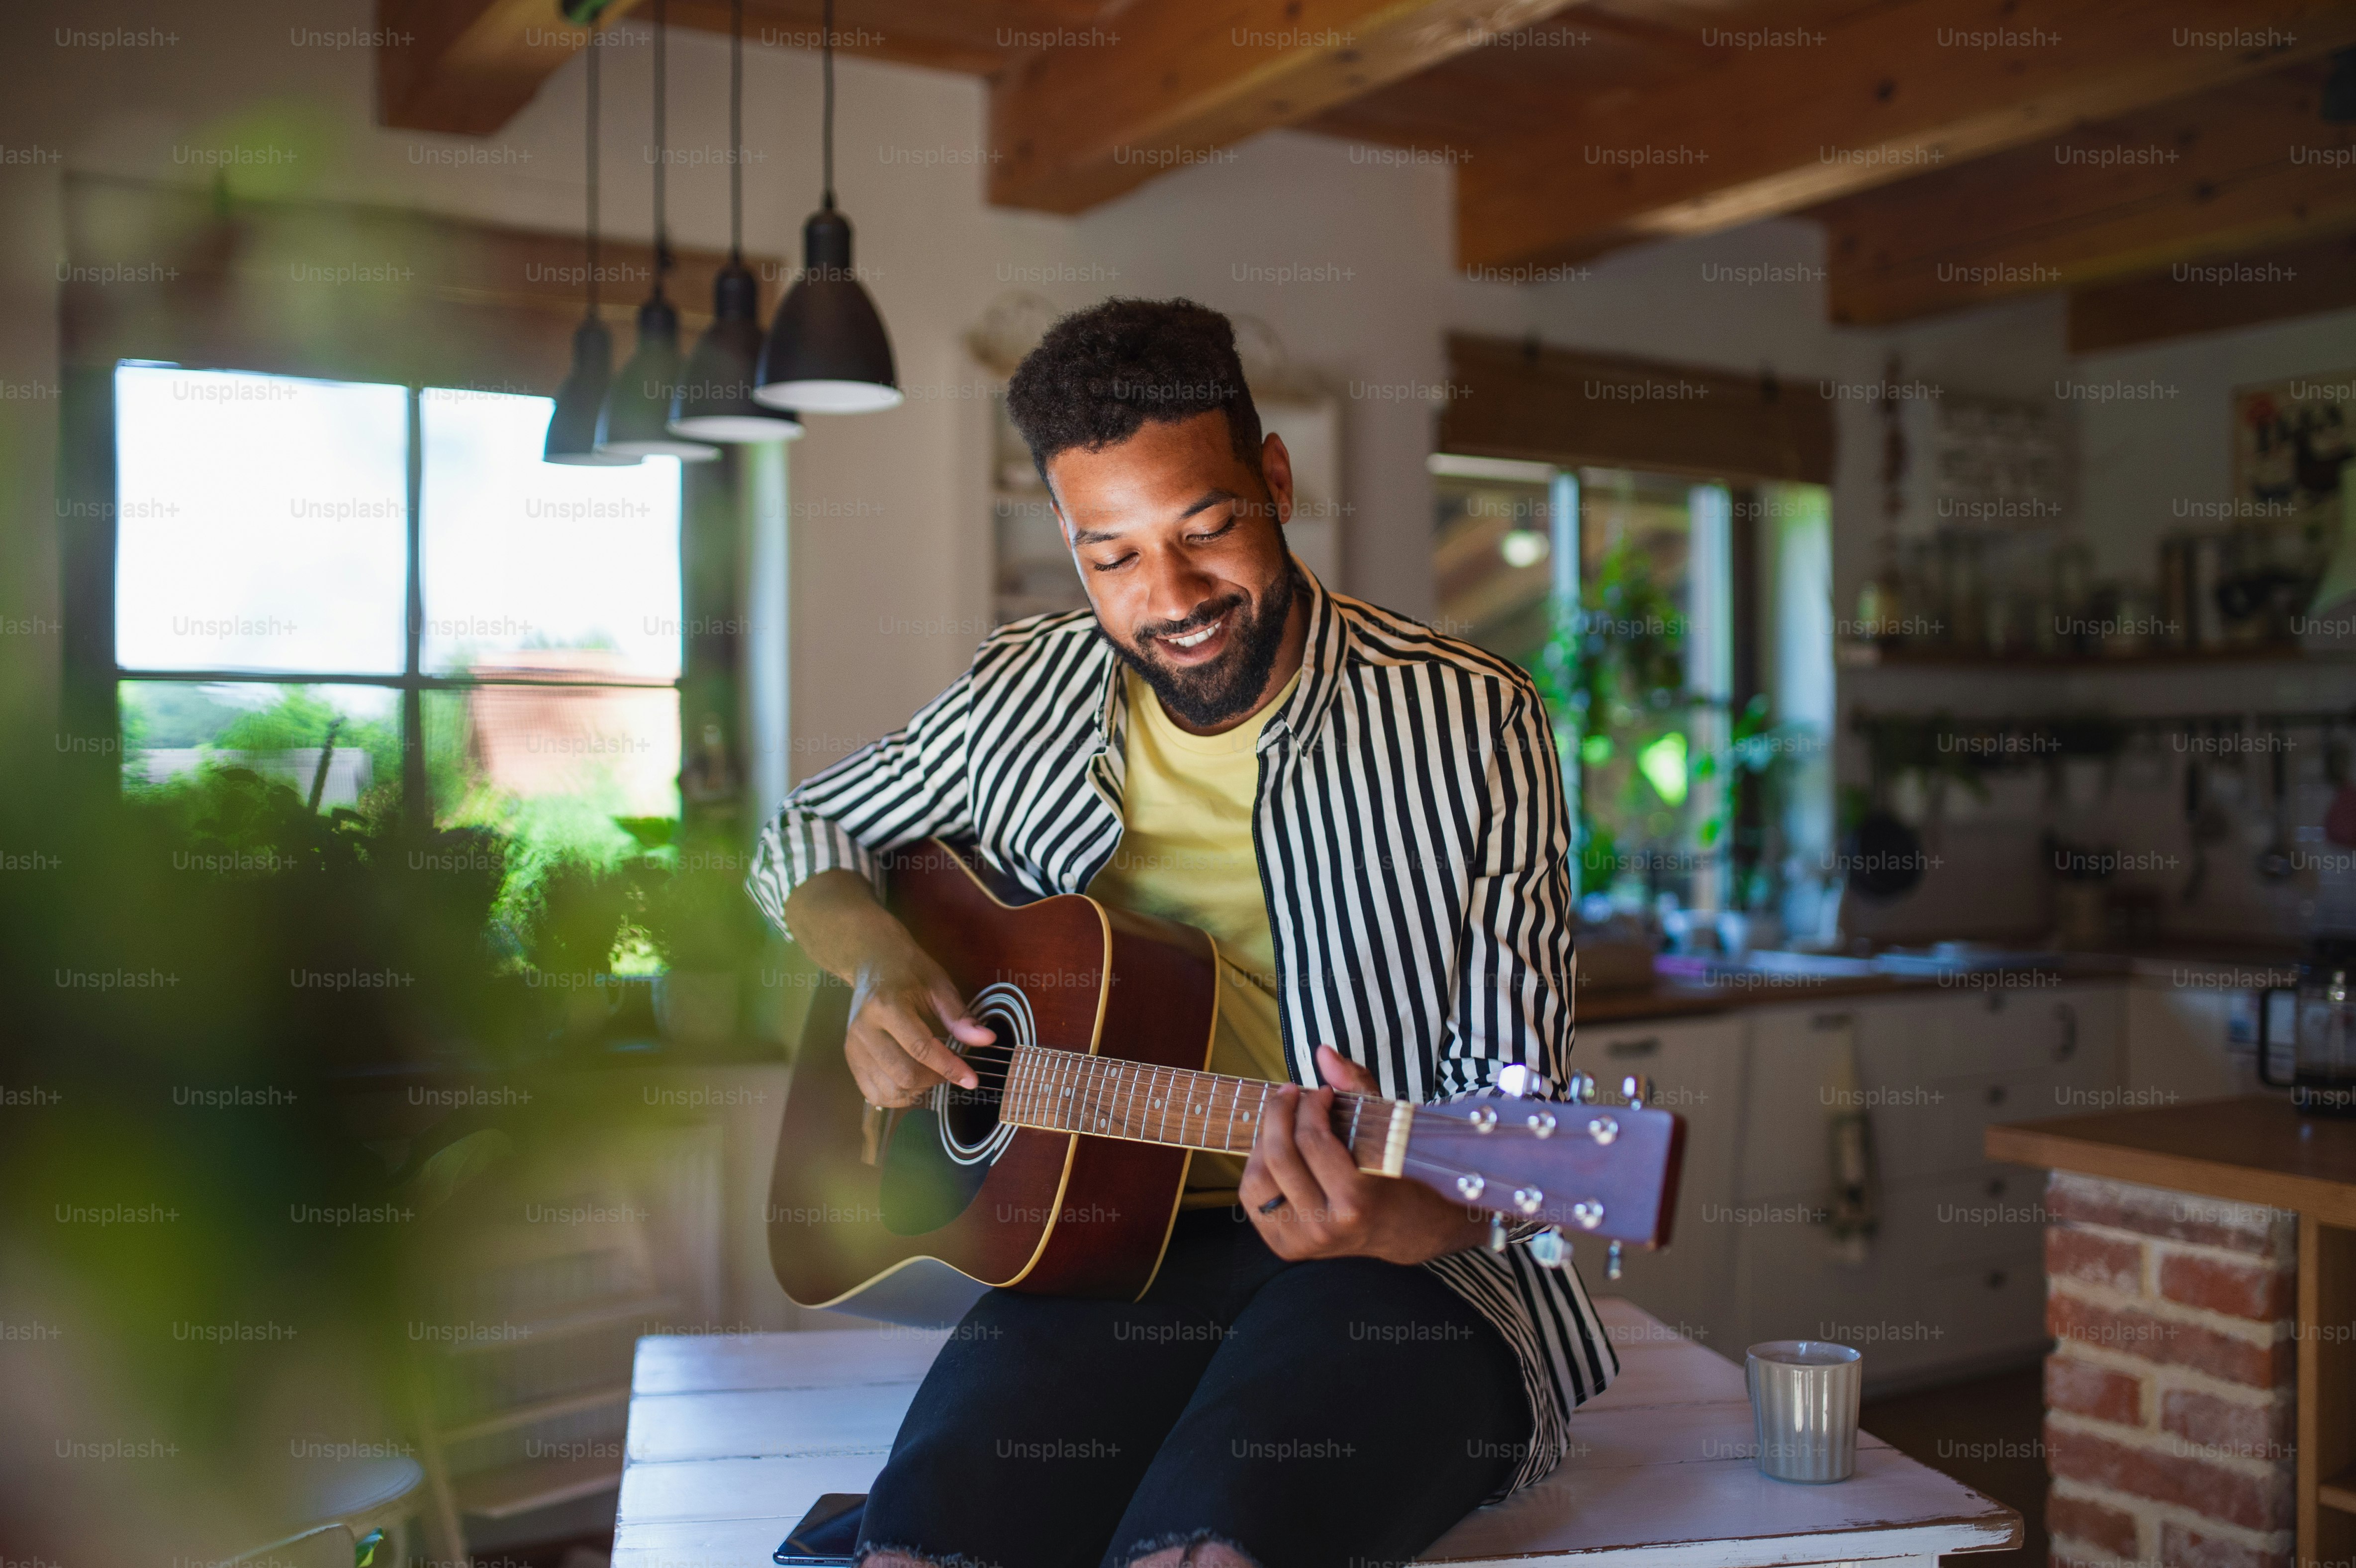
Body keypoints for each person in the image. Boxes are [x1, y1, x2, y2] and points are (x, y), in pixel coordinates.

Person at [750, 298, 1612, 1568]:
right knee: (914, 1552)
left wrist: (1393, 1213)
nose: (1173, 598)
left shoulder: (1469, 721)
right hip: (1100, 1251)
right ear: (1066, 535)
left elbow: (1520, 1131)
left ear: (1271, 477)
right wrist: (876, 960)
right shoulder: (1017, 689)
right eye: (1114, 556)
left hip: (1397, 1273)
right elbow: (804, 835)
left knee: (1201, 1556)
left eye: (1205, 529)